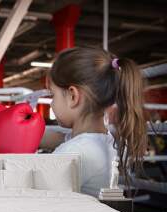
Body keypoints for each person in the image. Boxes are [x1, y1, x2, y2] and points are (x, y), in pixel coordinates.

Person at [40, 47, 147, 197]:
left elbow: (36, 201)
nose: (51, 103)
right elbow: (52, 136)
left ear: (73, 96)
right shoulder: (102, 140)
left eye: (53, 95)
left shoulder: (73, 153)